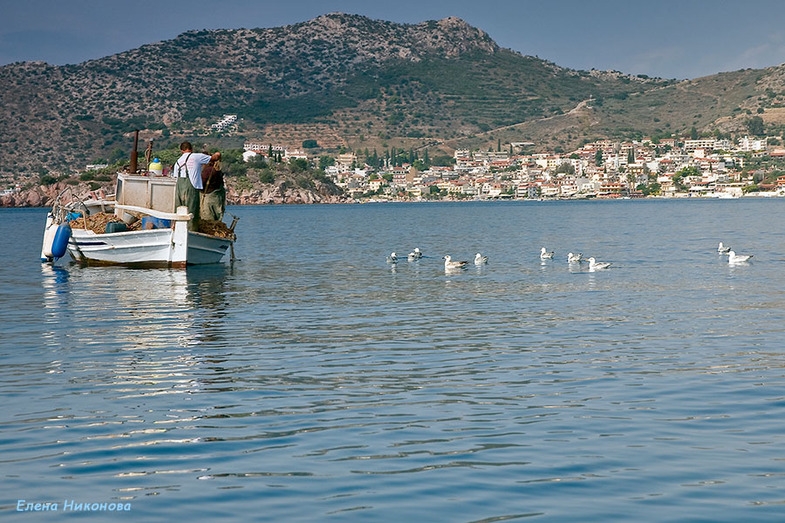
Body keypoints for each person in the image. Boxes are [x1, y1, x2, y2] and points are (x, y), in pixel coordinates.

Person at [172, 141, 220, 231]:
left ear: (181, 151)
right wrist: (218, 154)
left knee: (179, 210)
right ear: (191, 149)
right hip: (191, 187)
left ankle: (177, 230)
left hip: (179, 188)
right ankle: (191, 231)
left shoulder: (177, 162)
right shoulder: (196, 157)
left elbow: (175, 177)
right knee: (192, 211)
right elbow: (213, 158)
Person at [200, 154, 226, 222]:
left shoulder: (207, 170)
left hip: (208, 197)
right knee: (216, 218)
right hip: (217, 199)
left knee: (207, 218)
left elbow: (201, 183)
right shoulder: (218, 171)